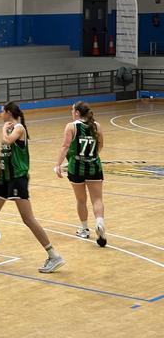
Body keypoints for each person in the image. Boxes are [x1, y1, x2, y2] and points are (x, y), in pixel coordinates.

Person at [0, 102, 65, 273]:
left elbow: (7, 141)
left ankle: (54, 255)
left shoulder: (19, 128)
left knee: (28, 218)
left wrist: (3, 129)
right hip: (4, 178)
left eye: (1, 111)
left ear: (8, 113)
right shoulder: (11, 129)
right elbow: (5, 153)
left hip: (17, 178)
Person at [54, 101, 107, 246]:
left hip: (76, 168)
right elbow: (101, 144)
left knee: (81, 200)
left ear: (77, 113)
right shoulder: (97, 126)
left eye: (72, 111)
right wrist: (92, 157)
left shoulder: (71, 126)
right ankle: (100, 222)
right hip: (94, 167)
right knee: (97, 199)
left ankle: (84, 229)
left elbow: (65, 146)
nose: (71, 113)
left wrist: (58, 164)